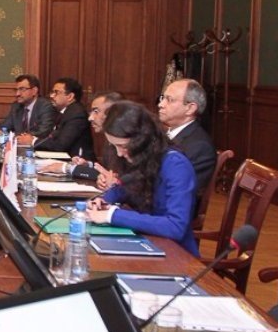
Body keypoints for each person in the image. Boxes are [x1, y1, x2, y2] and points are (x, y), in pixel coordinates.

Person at [85, 101, 199, 256]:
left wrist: (112, 215)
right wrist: (105, 200)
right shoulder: (142, 158)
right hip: (147, 242)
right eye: (114, 146)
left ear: (141, 141)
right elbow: (125, 187)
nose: (119, 154)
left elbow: (175, 226)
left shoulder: (176, 165)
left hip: (176, 254)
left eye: (123, 146)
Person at [158, 78, 217, 196]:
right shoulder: (166, 133)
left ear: (190, 108)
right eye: (162, 98)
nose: (160, 104)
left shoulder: (200, 146)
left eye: (169, 100)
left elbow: (178, 191)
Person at [47, 91, 122, 180]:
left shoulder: (123, 141)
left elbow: (117, 178)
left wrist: (67, 168)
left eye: (96, 111)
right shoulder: (109, 138)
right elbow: (106, 169)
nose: (90, 118)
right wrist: (88, 164)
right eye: (91, 112)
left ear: (112, 114)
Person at [20, 77, 94, 160]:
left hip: (80, 163)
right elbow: (52, 138)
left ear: (70, 96)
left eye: (56, 92)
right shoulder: (64, 112)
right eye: (52, 92)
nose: (52, 96)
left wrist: (32, 141)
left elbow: (60, 145)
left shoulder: (77, 114)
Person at [0, 74, 57, 138]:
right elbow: (5, 126)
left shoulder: (45, 106)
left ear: (34, 91)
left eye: (22, 89)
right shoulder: (16, 106)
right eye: (16, 90)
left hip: (38, 145)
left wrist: (16, 136)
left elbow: (43, 132)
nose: (17, 94)